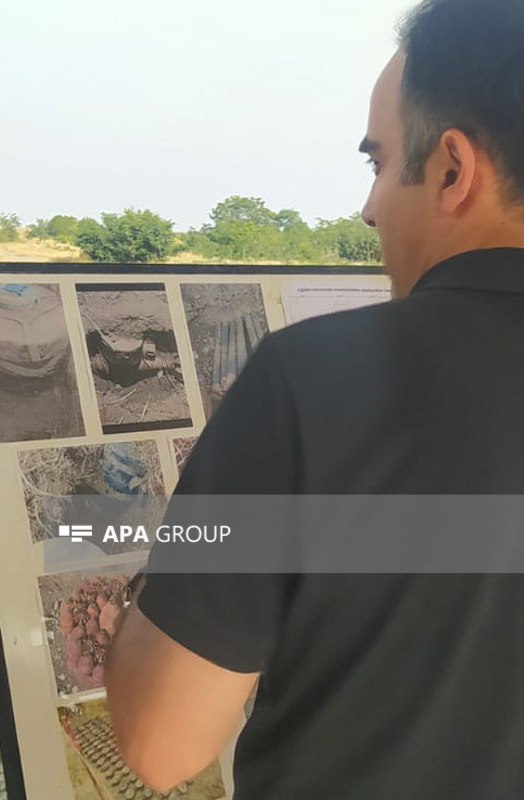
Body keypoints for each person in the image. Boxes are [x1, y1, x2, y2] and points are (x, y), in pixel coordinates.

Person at [104, 0, 524, 798]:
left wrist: (164, 572)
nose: (368, 209)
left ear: (453, 169)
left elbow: (161, 743)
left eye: (377, 162)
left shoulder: (313, 378)